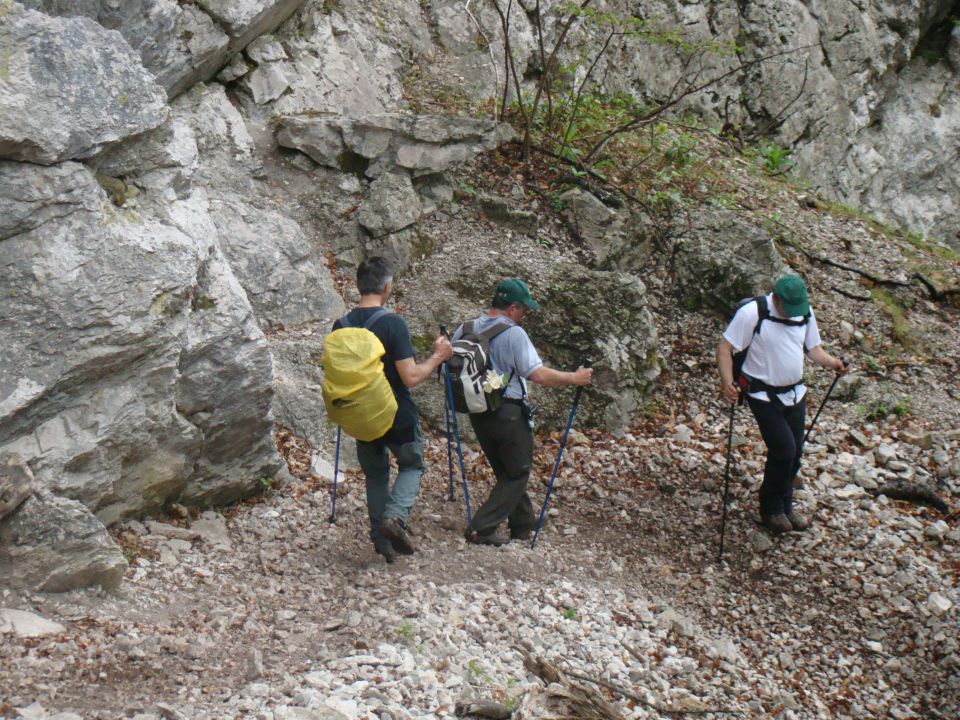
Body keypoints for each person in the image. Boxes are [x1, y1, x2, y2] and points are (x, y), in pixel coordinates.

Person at [453, 278, 592, 546]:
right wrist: (575, 378)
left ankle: (523, 522)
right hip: (509, 411)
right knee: (517, 473)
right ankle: (481, 527)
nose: (525, 315)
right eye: (524, 309)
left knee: (508, 471)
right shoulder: (514, 333)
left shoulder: (464, 328)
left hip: (478, 411)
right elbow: (537, 375)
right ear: (513, 307)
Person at [333, 257, 452, 563]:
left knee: (375, 476)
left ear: (359, 286)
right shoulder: (392, 323)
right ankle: (394, 518)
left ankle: (382, 544)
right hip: (397, 414)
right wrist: (438, 357)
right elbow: (410, 377)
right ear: (386, 288)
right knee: (412, 466)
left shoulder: (341, 325)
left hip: (361, 414)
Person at [715, 275, 848, 533]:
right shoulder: (753, 313)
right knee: (784, 450)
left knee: (796, 451)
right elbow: (724, 349)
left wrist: (834, 363)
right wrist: (727, 383)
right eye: (789, 309)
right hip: (762, 395)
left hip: (796, 394)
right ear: (775, 298)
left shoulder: (803, 311)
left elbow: (813, 349)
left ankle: (786, 506)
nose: (793, 314)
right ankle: (771, 509)